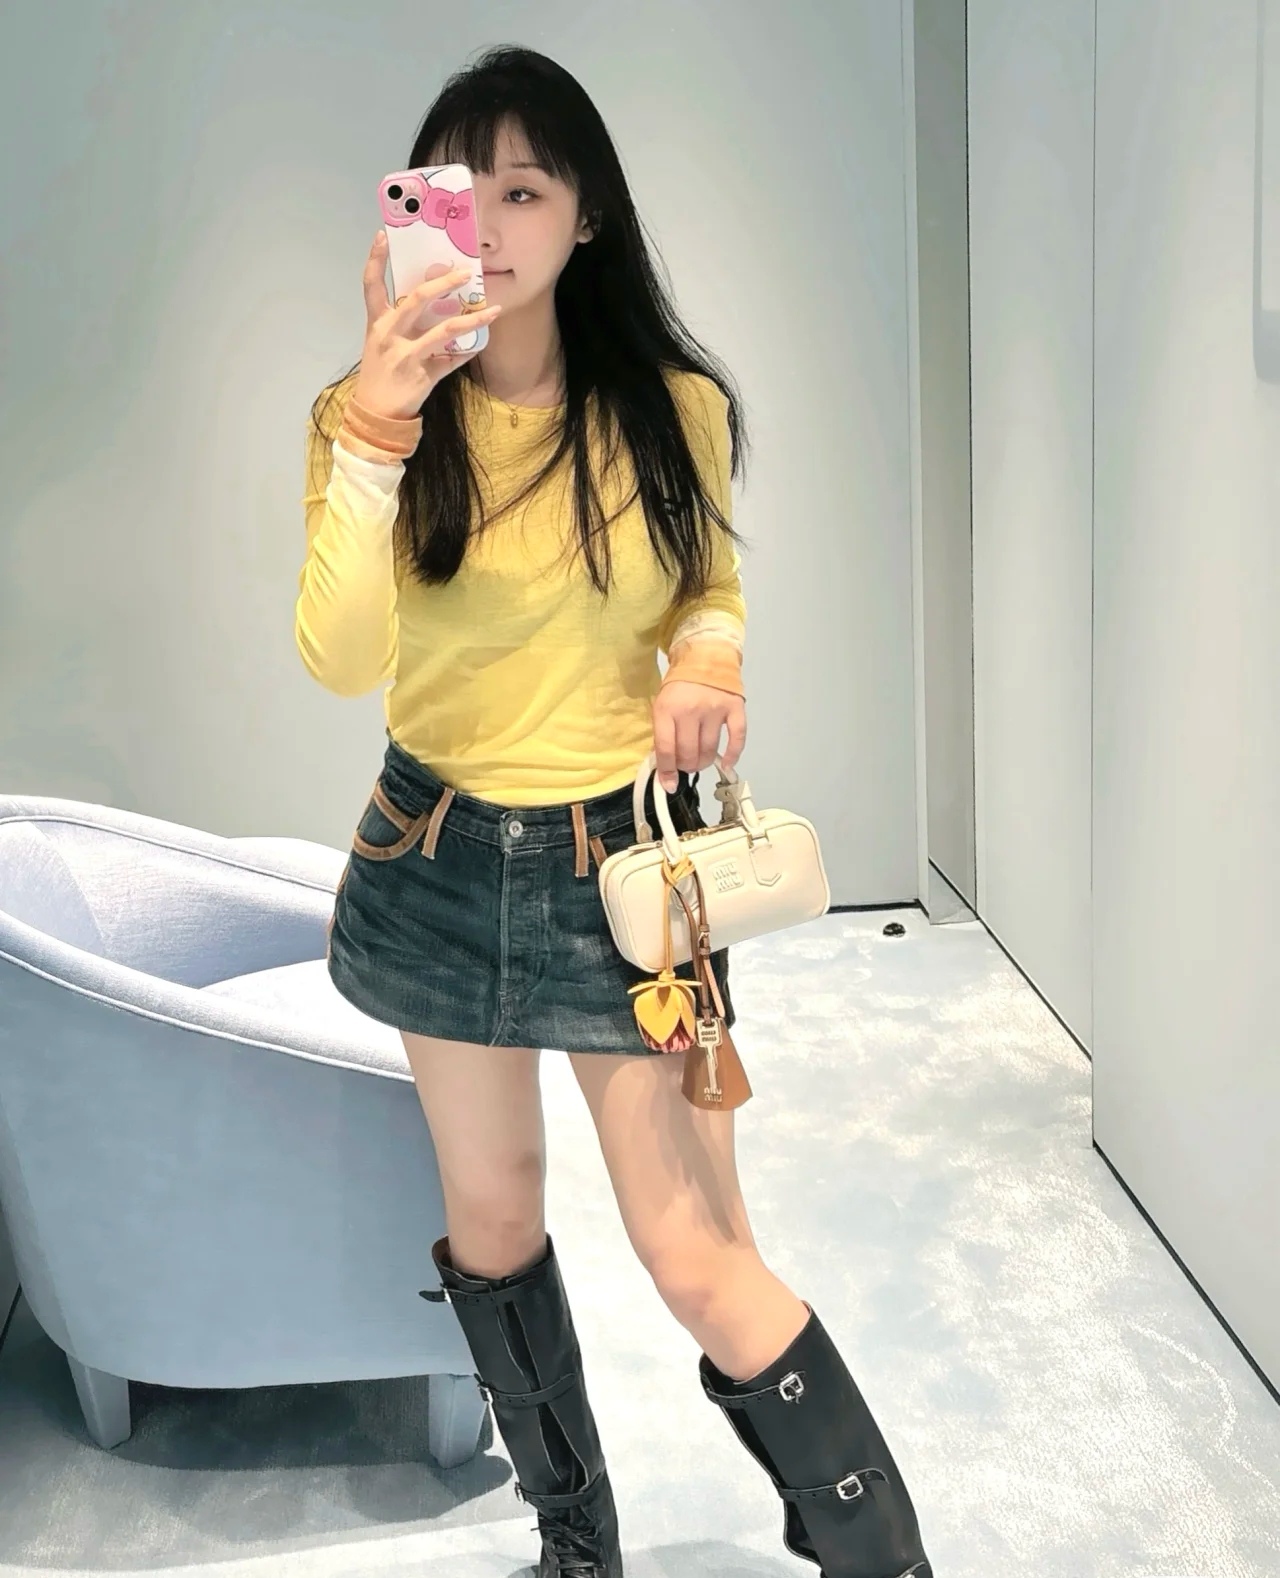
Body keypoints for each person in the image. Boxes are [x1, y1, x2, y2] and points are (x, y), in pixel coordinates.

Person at [296, 43, 932, 1578]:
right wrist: (378, 428)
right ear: (417, 216)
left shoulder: (670, 408)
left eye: (527, 189)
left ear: (589, 215)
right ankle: (578, 1549)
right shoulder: (367, 416)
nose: (494, 225)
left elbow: (707, 587)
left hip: (623, 876)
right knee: (493, 1226)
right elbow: (341, 656)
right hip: (435, 859)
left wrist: (706, 665)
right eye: (463, 193)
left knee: (698, 1251)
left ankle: (885, 1559)